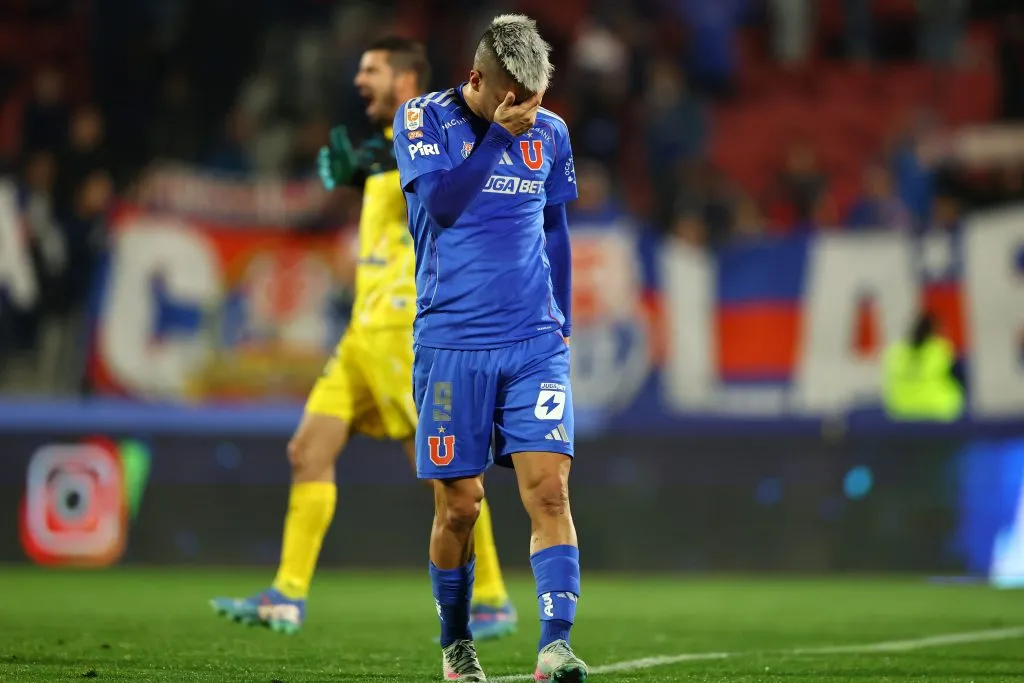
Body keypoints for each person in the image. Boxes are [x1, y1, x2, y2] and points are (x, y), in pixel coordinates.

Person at [210, 37, 517, 641]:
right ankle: (287, 596)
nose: (358, 80)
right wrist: (369, 168)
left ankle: (492, 600)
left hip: (405, 333)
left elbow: (453, 190)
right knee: (307, 452)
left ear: (405, 79)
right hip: (362, 334)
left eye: (371, 70)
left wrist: (377, 166)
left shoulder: (435, 132)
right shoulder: (390, 146)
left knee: (448, 479)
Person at [393, 15, 587, 681]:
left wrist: (560, 316)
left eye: (536, 97)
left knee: (551, 492)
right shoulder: (422, 121)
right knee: (460, 506)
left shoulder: (551, 132)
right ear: (478, 80)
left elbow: (555, 224)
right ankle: (456, 642)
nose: (529, 112)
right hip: (451, 344)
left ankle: (556, 644)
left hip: (533, 341)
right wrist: (497, 143)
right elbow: (443, 205)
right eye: (515, 98)